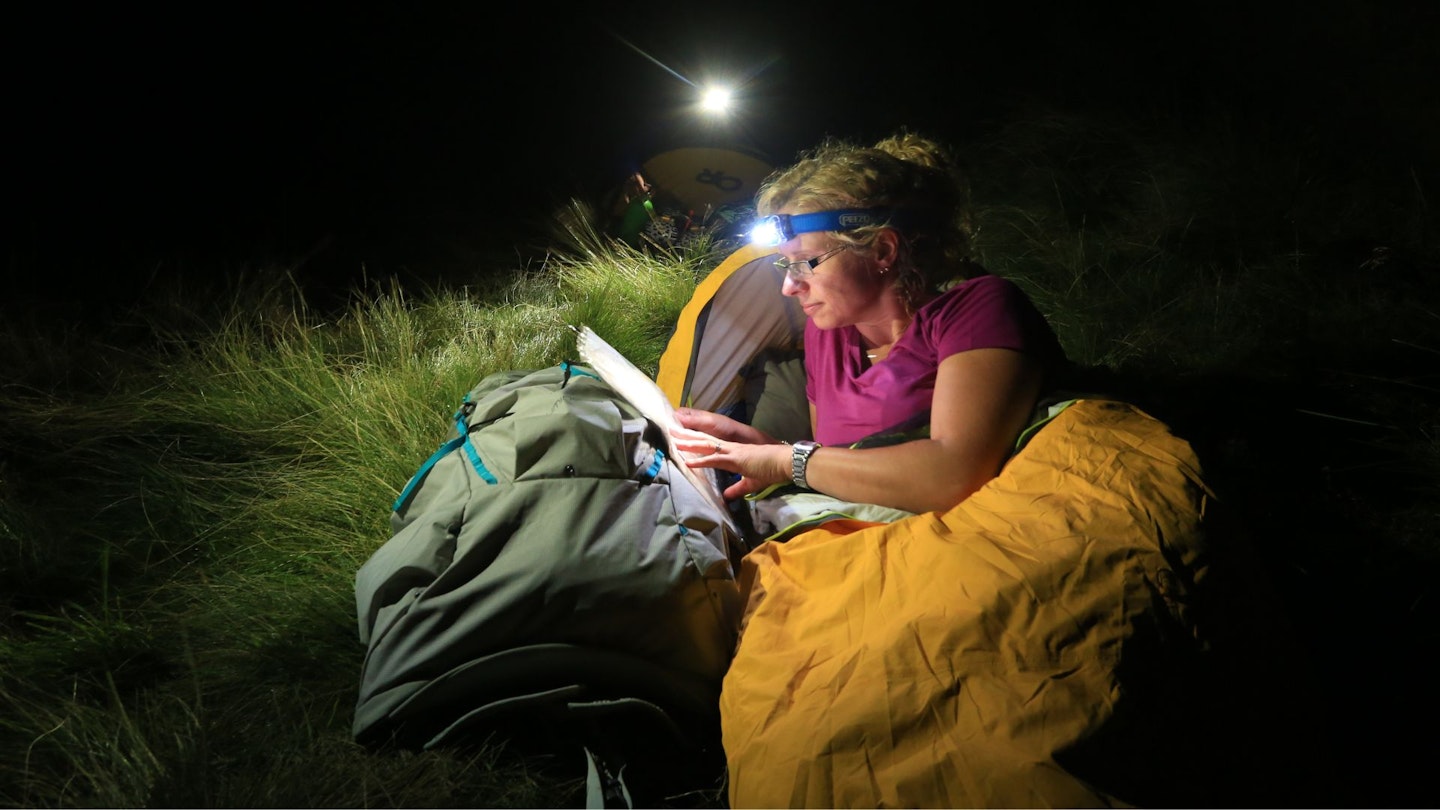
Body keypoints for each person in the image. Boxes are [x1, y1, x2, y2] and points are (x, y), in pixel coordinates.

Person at [671, 130, 1069, 516]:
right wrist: (767, 448)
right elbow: (844, 464)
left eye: (805, 263)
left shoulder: (976, 310)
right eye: (785, 265)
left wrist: (786, 460)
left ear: (882, 249)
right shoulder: (826, 337)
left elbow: (954, 475)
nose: (789, 288)